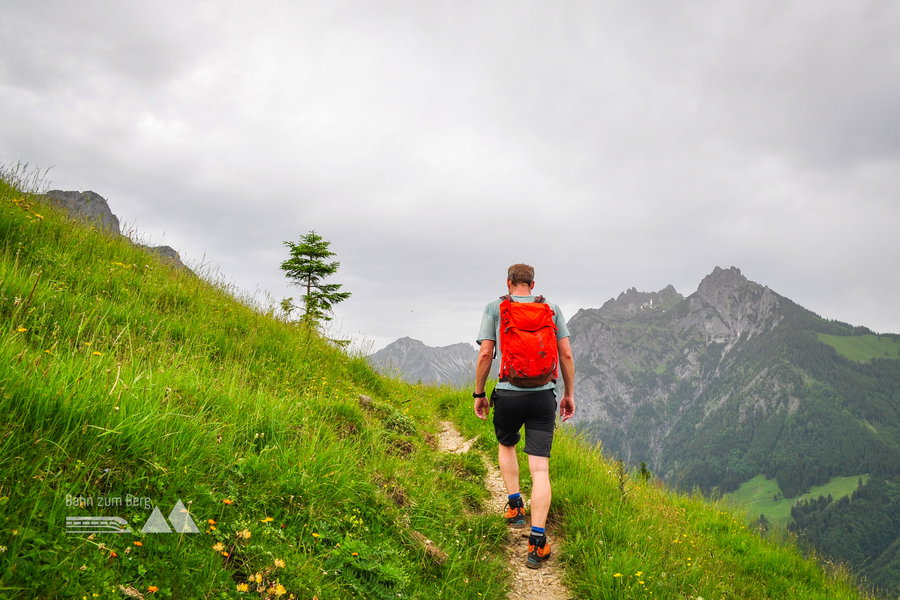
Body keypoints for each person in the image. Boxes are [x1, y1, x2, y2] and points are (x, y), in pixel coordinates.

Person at [473, 263, 575, 569]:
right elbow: (566, 355)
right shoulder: (552, 309)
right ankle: (537, 543)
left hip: (508, 393)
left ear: (508, 283)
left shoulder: (496, 308)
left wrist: (479, 394)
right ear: (532, 284)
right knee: (540, 470)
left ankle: (515, 507)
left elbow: (485, 354)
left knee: (507, 445)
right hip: (543, 395)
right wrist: (568, 394)